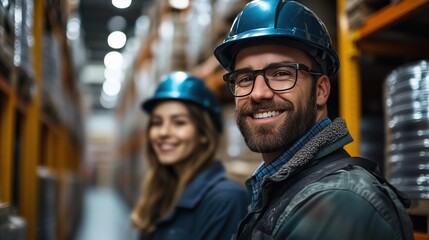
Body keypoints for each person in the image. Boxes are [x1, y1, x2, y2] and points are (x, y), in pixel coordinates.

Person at [213, 1, 414, 239]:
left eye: (281, 74)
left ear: (320, 91)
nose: (258, 94)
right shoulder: (277, 187)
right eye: (245, 78)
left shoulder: (343, 202)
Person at [131, 71, 249, 240]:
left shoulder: (226, 199)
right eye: (157, 122)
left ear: (204, 133)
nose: (163, 132)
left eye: (179, 122)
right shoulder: (160, 192)